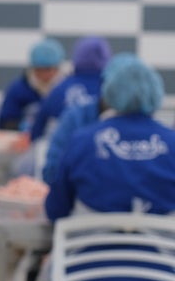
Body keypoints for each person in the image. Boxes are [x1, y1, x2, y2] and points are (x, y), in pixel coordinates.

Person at [44, 57, 175, 281]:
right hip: (163, 279)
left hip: (86, 277)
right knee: (162, 255)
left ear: (110, 94)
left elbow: (55, 209)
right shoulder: (172, 142)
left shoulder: (83, 140)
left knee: (71, 260)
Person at [40, 52, 138, 185]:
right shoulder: (76, 118)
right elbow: (52, 171)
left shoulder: (143, 127)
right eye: (117, 90)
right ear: (104, 85)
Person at [28, 36, 111, 142]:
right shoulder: (110, 92)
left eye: (48, 69)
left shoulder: (59, 90)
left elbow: (37, 132)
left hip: (63, 152)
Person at [0, 38, 65, 131]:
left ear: (57, 68)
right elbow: (5, 122)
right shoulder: (18, 89)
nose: (44, 74)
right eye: (39, 70)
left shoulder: (66, 89)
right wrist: (21, 127)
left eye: (48, 69)